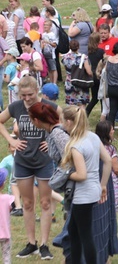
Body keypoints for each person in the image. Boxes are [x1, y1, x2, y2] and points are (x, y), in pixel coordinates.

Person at [0, 76, 57, 259]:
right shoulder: (16, 107)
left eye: (30, 95)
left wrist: (51, 141)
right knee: (27, 203)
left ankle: (44, 244)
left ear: (37, 90)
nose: (26, 99)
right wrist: (11, 140)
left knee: (46, 202)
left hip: (44, 161)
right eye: (23, 95)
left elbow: (64, 123)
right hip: (23, 161)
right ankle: (31, 243)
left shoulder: (47, 106)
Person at [60, 106, 112, 264]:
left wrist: (67, 174)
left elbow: (81, 175)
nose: (62, 125)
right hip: (93, 190)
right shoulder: (92, 137)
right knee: (73, 232)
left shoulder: (76, 145)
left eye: (63, 121)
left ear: (69, 122)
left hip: (83, 195)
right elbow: (108, 161)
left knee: (85, 235)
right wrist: (102, 185)